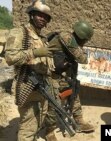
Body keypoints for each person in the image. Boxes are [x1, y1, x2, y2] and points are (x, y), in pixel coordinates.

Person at [4, 0, 59, 140]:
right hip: (27, 85)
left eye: (46, 17)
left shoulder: (42, 38)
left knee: (38, 122)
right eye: (39, 15)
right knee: (28, 127)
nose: (43, 18)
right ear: (31, 14)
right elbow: (10, 58)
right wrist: (34, 52)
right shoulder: (19, 32)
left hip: (43, 87)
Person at [44, 20, 94, 140]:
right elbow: (83, 58)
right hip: (53, 76)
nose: (85, 42)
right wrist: (82, 50)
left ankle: (79, 121)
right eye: (85, 40)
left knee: (74, 96)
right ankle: (49, 131)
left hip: (65, 75)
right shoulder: (66, 37)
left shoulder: (73, 41)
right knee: (53, 103)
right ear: (81, 36)